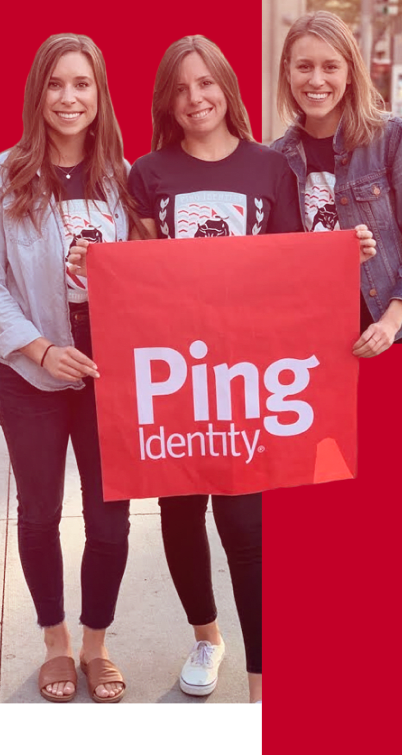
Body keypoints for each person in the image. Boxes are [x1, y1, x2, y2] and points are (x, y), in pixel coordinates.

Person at [128, 36, 309, 704]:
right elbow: (139, 273)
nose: (195, 98)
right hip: (176, 377)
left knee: (246, 529)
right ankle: (208, 640)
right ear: (166, 103)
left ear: (227, 87)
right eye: (180, 89)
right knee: (179, 516)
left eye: (205, 84)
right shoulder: (148, 173)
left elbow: (295, 268)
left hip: (245, 379)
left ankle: (263, 679)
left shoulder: (271, 169)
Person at [0, 34, 135, 704]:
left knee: (112, 521)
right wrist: (39, 348)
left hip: (110, 375)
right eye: (56, 84)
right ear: (38, 93)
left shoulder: (126, 177)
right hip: (29, 376)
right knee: (39, 515)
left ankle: (96, 645)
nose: (69, 97)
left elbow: (159, 275)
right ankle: (56, 643)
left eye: (83, 84)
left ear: (100, 96)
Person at [272, 11, 402, 350]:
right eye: (304, 66)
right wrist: (335, 257)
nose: (316, 80)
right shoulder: (276, 158)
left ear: (349, 73)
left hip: (392, 330)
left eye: (330, 67)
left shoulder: (391, 137)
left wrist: (389, 324)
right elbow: (281, 263)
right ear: (288, 72)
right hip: (317, 331)